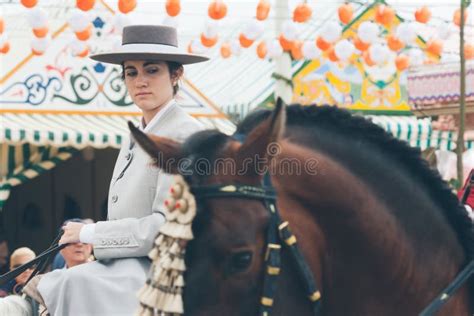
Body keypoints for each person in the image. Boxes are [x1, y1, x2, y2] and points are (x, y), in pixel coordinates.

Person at [34, 25, 208, 315]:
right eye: (131, 72)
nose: (140, 81)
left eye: (151, 70)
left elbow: (167, 228)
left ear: (176, 74)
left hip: (164, 277)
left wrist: (90, 232)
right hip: (123, 269)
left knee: (67, 284)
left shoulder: (185, 135)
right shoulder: (135, 135)